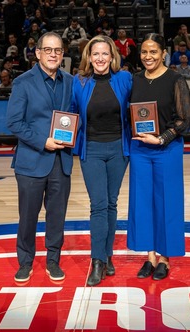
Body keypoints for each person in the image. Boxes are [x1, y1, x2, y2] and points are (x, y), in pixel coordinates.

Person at [5, 32, 74, 283]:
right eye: (48, 50)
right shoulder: (23, 82)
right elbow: (13, 122)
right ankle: (25, 262)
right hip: (32, 159)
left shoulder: (70, 81)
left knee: (57, 215)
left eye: (57, 50)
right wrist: (42, 141)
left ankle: (53, 260)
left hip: (61, 160)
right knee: (28, 216)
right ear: (38, 53)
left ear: (62, 54)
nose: (53, 54)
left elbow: (74, 116)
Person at [127, 33, 190, 281]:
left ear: (164, 53)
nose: (148, 56)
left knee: (167, 203)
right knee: (142, 204)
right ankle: (150, 257)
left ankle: (164, 259)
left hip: (167, 148)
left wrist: (162, 138)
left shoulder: (175, 80)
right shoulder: (135, 80)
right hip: (140, 150)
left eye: (153, 51)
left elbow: (183, 118)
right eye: (144, 52)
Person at [70, 35, 132, 286]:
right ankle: (97, 260)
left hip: (119, 148)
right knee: (98, 204)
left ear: (112, 56)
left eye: (105, 54)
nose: (100, 58)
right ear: (89, 57)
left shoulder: (124, 79)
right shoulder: (79, 81)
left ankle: (108, 255)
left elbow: (138, 106)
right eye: (95, 54)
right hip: (92, 149)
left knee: (112, 204)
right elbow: (71, 113)